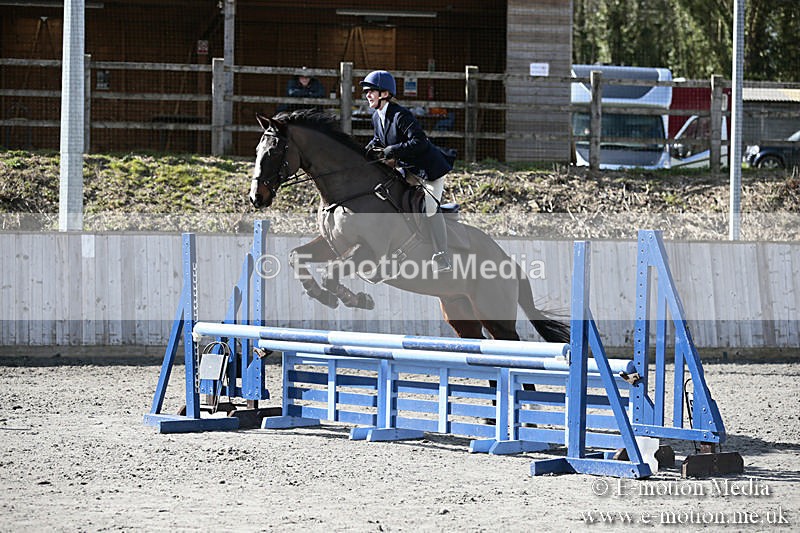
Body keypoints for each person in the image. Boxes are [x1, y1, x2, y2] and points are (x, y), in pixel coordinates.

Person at [360, 70, 453, 273]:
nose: (367, 95)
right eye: (366, 92)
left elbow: (419, 141)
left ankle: (442, 256)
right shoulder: (377, 117)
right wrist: (362, 154)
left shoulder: (401, 114)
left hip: (429, 170)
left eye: (370, 91)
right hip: (408, 169)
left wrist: (393, 150)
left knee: (429, 208)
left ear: (384, 93)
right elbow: (378, 140)